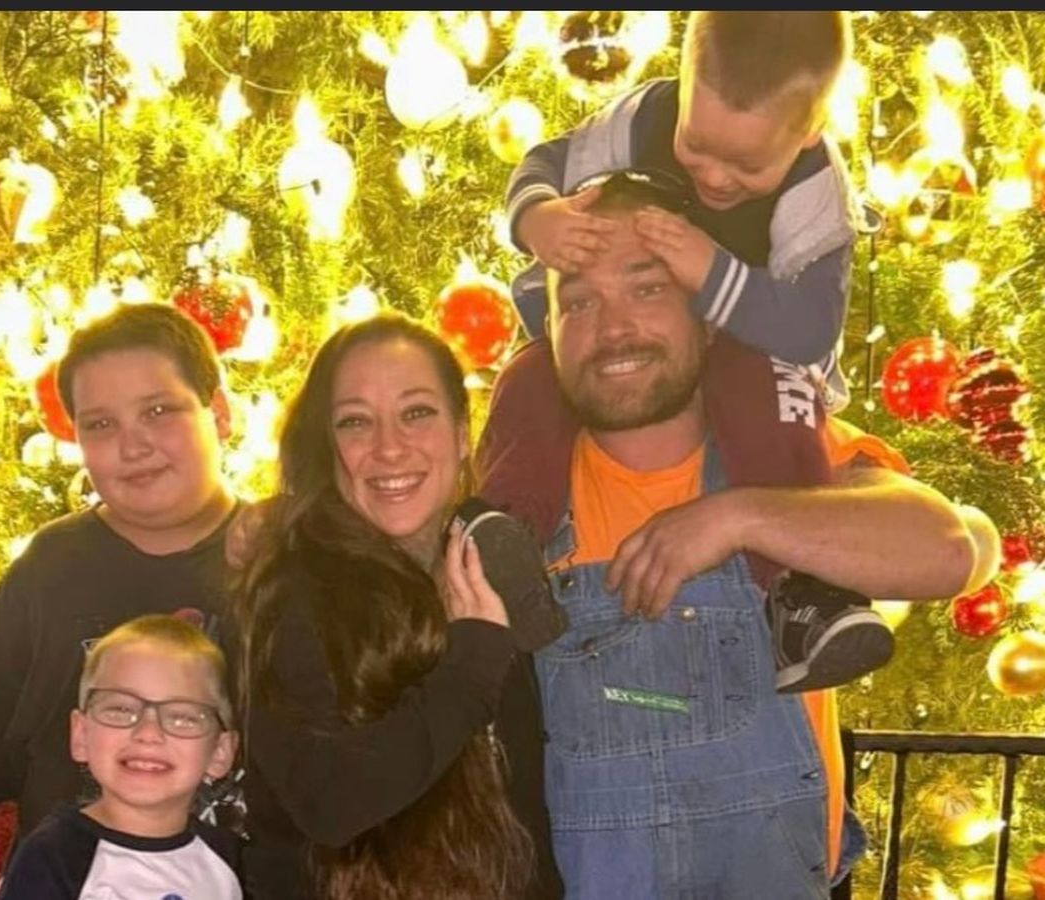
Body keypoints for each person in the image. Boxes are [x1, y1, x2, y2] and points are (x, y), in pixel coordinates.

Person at [492, 173, 1000, 898]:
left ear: (708, 316)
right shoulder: (522, 505)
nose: (613, 328)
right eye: (578, 302)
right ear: (551, 335)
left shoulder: (786, 452)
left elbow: (951, 550)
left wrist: (740, 517)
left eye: (647, 288)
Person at [478, 10, 889, 693]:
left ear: (810, 130)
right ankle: (506, 540)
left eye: (748, 165)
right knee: (529, 380)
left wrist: (711, 270)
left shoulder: (816, 197)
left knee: (773, 401)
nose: (715, 178)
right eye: (696, 145)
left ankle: (802, 591)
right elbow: (546, 160)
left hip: (758, 347)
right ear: (685, 85)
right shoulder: (642, 118)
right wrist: (538, 214)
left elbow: (806, 332)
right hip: (639, 338)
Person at [0, 303, 241, 900]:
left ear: (218, 413)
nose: (133, 445)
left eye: (158, 411)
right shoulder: (53, 566)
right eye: (101, 424)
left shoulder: (286, 561)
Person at [228, 313, 563, 900]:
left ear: (462, 434)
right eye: (356, 422)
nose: (388, 448)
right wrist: (470, 669)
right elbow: (329, 802)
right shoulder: (292, 595)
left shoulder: (487, 566)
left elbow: (522, 818)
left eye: (417, 413)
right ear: (327, 446)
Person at [0, 614, 242, 899]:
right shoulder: (53, 858)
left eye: (182, 717)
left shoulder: (227, 859)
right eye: (121, 709)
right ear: (81, 735)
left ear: (220, 752)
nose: (148, 733)